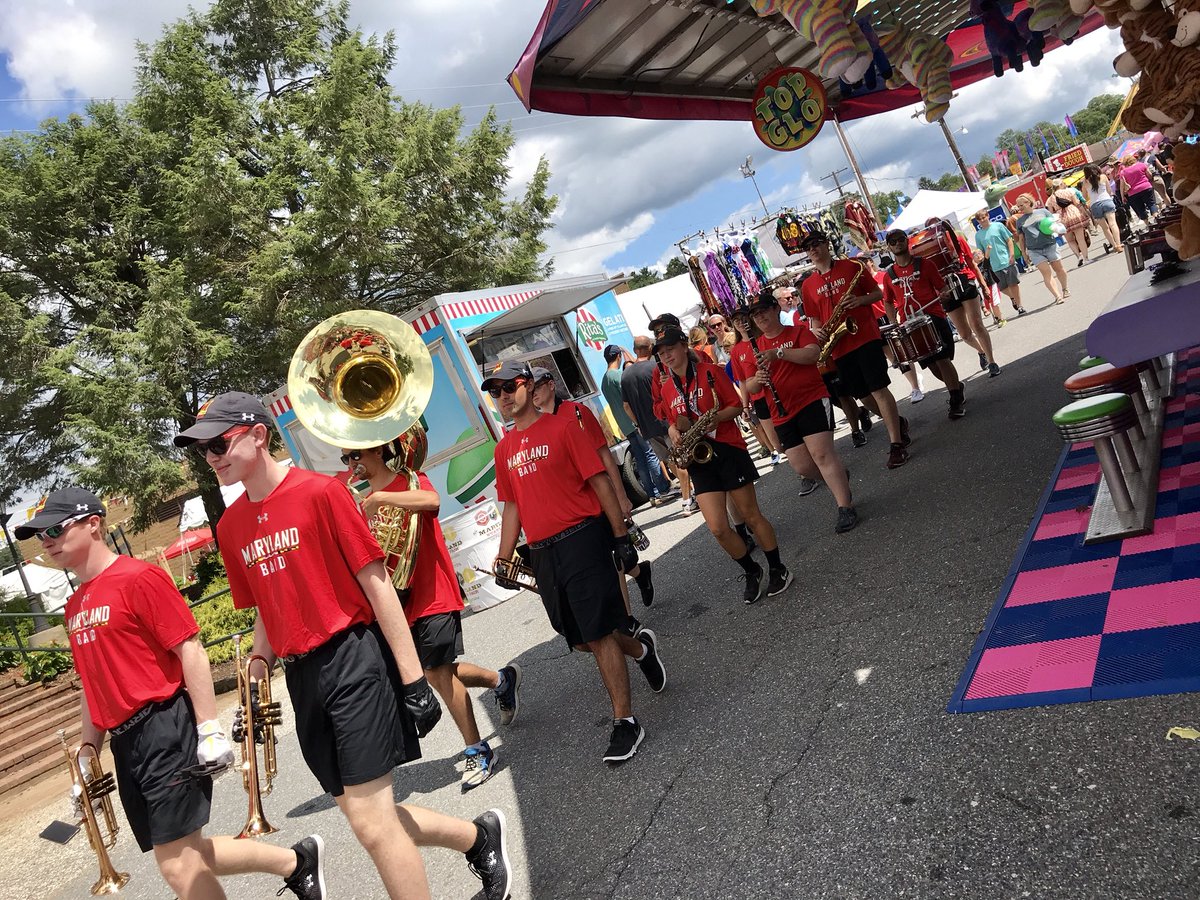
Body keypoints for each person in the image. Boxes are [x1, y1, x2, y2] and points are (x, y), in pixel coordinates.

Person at [175, 392, 512, 900]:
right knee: (365, 819)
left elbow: (378, 586)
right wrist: (260, 663)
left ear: (258, 435)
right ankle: (478, 838)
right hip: (301, 676)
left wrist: (414, 679)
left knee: (375, 825)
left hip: (353, 658)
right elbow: (265, 608)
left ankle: (477, 842)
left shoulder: (321, 493)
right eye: (203, 450)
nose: (212, 456)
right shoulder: (231, 525)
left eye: (220, 442)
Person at [19, 488, 327, 900]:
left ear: (93, 524)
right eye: (41, 535)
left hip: (164, 726)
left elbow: (190, 650)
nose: (47, 541)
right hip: (126, 744)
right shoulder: (74, 606)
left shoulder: (138, 577)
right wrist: (87, 752)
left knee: (176, 864)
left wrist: (209, 728)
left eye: (55, 529)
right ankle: (297, 862)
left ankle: (298, 862)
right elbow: (92, 684)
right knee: (188, 851)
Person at [483, 361, 666, 763]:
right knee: (579, 637)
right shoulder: (503, 449)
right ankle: (640, 651)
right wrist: (502, 554)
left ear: (528, 387)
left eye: (509, 386)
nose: (503, 396)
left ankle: (625, 722)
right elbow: (511, 504)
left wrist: (620, 536)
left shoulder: (564, 427)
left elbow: (599, 480)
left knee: (599, 633)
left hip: (582, 538)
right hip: (543, 552)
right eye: (495, 391)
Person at [347, 441, 523, 791]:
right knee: (436, 672)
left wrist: (382, 499)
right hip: (399, 602)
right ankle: (500, 680)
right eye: (346, 458)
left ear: (378, 453)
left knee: (438, 672)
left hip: (434, 590)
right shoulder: (358, 503)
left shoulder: (411, 480)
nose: (352, 463)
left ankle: (478, 750)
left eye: (356, 455)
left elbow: (432, 502)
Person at [654, 326, 793, 602]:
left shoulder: (710, 372)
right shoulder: (668, 387)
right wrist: (672, 430)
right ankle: (751, 570)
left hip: (728, 450)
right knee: (718, 527)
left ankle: (778, 568)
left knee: (752, 517)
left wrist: (714, 419)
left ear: (684, 346)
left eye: (670, 349)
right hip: (699, 459)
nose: (666, 356)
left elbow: (736, 407)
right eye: (661, 353)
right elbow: (673, 419)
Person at [530, 368, 656, 612]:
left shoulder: (576, 412)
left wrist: (621, 497)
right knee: (605, 558)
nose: (533, 393)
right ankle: (641, 573)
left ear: (551, 385)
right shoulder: (537, 424)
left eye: (537, 387)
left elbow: (604, 455)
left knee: (616, 558)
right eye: (530, 389)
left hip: (599, 497)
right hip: (574, 505)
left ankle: (627, 619)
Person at [737, 294, 859, 534]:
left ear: (775, 309)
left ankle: (845, 507)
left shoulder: (798, 331)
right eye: (755, 315)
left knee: (822, 455)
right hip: (780, 410)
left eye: (763, 311)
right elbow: (749, 385)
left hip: (811, 399)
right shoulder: (755, 346)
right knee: (802, 466)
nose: (759, 317)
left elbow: (814, 354)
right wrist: (757, 381)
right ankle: (838, 478)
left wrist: (779, 354)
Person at [798, 230, 912, 470]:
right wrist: (816, 331)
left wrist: (860, 301)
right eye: (808, 247)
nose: (813, 250)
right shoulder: (808, 285)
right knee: (863, 395)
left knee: (878, 388)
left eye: (817, 244)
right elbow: (815, 319)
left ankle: (896, 445)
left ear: (827, 245)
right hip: (839, 345)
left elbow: (878, 294)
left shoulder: (852, 267)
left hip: (865, 336)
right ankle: (897, 422)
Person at [880, 229, 968, 417]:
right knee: (932, 366)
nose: (897, 244)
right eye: (893, 242)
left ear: (907, 241)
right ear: (888, 246)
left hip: (932, 318)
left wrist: (944, 295)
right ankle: (956, 387)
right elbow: (887, 300)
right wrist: (893, 321)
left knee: (942, 360)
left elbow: (942, 288)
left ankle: (955, 400)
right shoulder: (888, 275)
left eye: (901, 239)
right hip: (909, 326)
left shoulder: (925, 265)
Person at [923, 217, 1002, 376]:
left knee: (977, 324)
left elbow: (971, 263)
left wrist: (984, 285)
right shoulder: (927, 249)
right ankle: (981, 351)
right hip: (945, 288)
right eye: (931, 228)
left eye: (938, 227)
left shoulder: (957, 238)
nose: (936, 230)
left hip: (964, 280)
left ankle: (992, 361)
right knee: (964, 334)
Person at [602, 344, 675, 508]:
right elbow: (628, 401)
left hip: (624, 426)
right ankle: (663, 489)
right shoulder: (617, 376)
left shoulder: (604, 381)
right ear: (618, 357)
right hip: (634, 422)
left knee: (640, 460)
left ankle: (651, 494)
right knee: (650, 455)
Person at [621, 335, 684, 510]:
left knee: (668, 459)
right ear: (650, 348)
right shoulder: (656, 367)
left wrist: (638, 424)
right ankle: (690, 492)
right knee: (681, 456)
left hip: (647, 427)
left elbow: (626, 406)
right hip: (666, 421)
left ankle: (688, 491)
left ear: (634, 350)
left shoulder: (625, 375)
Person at [648, 313, 699, 515]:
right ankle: (690, 497)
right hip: (683, 431)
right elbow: (657, 408)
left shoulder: (696, 358)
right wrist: (664, 391)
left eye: (663, 329)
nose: (659, 334)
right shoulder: (657, 371)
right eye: (656, 332)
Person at [729, 308, 785, 467]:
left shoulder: (763, 338)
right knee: (777, 444)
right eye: (736, 320)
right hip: (759, 399)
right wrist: (745, 406)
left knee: (789, 434)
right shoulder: (736, 350)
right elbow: (742, 381)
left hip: (778, 392)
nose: (741, 322)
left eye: (743, 317)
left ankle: (806, 471)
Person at [1013, 193, 1069, 305]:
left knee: (1059, 269)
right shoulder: (1019, 221)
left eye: (1021, 205)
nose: (1019, 208)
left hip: (1050, 245)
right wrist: (1024, 253)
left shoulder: (1043, 212)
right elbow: (1021, 238)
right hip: (1034, 250)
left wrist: (1058, 230)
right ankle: (1057, 296)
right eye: (1018, 206)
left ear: (1028, 202)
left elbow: (1054, 224)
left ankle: (1064, 288)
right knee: (1046, 273)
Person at [973, 210, 1027, 316]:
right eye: (980, 219)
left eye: (984, 217)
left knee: (1013, 284)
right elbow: (981, 251)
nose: (982, 220)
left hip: (1006, 260)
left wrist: (1011, 255)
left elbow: (1009, 240)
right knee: (1002, 288)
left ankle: (1020, 306)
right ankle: (1013, 297)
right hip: (993, 266)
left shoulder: (998, 226)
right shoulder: (978, 235)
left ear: (988, 216)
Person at [1082, 164, 1124, 254]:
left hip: (1095, 205)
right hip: (1106, 201)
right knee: (1113, 224)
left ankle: (1114, 245)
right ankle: (1119, 244)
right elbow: (1109, 190)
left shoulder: (1085, 182)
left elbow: (1084, 196)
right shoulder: (1103, 177)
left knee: (1105, 228)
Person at [1117, 153, 1158, 223]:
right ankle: (1157, 218)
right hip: (1146, 187)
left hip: (1133, 193)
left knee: (1140, 209)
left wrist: (1122, 196)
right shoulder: (1141, 165)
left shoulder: (1123, 172)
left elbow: (1121, 186)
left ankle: (1148, 224)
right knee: (1151, 204)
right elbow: (1150, 175)